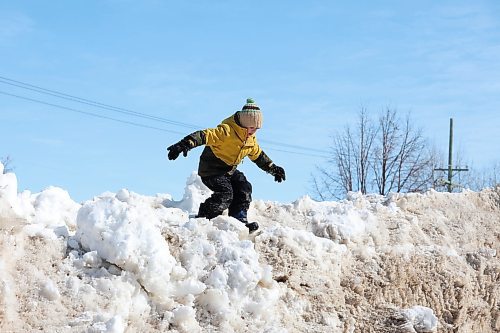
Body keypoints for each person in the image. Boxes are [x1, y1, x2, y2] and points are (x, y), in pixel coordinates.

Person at [167, 98, 285, 233]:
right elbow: (205, 135)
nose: (253, 131)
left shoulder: (250, 140)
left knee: (244, 187)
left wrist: (273, 168)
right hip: (211, 169)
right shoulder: (226, 131)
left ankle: (239, 220)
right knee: (226, 194)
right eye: (252, 128)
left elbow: (257, 155)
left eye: (256, 129)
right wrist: (185, 144)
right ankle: (204, 216)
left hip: (228, 170)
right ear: (244, 123)